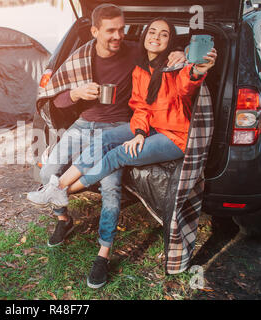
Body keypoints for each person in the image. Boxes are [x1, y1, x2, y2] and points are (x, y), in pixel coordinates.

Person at [28, 17, 217, 288]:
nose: (156, 37)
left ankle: (61, 190)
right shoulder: (139, 69)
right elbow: (140, 108)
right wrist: (139, 133)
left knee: (114, 158)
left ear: (170, 42)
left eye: (163, 34)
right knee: (105, 141)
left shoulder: (175, 66)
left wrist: (197, 67)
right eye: (152, 31)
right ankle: (58, 189)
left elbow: (188, 83)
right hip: (148, 130)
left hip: (174, 136)